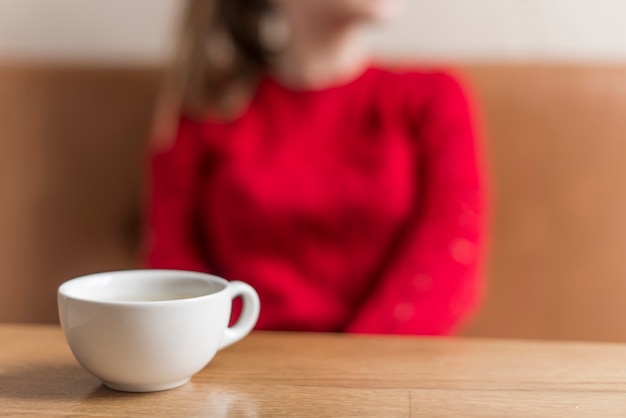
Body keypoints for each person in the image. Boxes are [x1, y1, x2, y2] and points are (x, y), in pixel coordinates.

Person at [146, 0, 487, 335]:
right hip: (239, 364)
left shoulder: (433, 98)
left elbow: (447, 265)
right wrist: (237, 344)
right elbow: (172, 258)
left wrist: (352, 372)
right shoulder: (206, 110)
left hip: (389, 375)